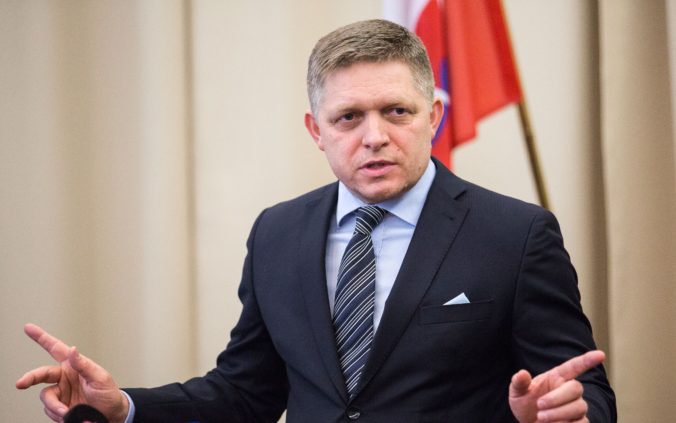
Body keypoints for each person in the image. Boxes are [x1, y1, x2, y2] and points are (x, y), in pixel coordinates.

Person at [17, 19, 616, 422]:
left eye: (397, 111)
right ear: (316, 130)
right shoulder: (277, 233)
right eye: (349, 117)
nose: (374, 136)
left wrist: (564, 412)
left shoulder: (517, 235)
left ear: (433, 116)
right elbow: (246, 392)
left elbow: (586, 391)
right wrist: (123, 407)